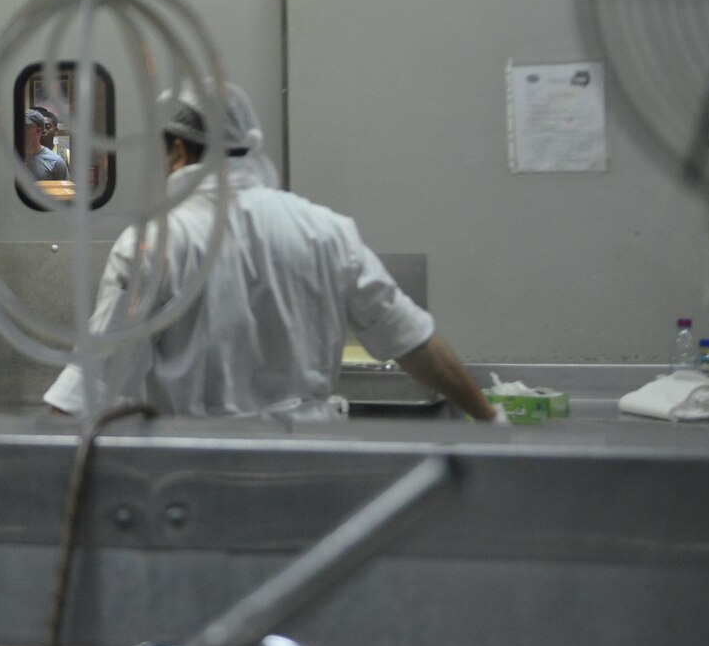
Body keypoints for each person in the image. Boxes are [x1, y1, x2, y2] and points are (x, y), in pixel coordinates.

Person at [44, 84, 497, 423]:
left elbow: (94, 381)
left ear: (178, 150)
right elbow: (412, 340)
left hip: (198, 471)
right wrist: (490, 419)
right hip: (311, 464)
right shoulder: (325, 229)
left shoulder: (156, 243)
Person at [23, 108, 69, 181]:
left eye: (26, 127)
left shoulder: (56, 162)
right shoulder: (13, 156)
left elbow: (64, 190)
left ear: (38, 130)